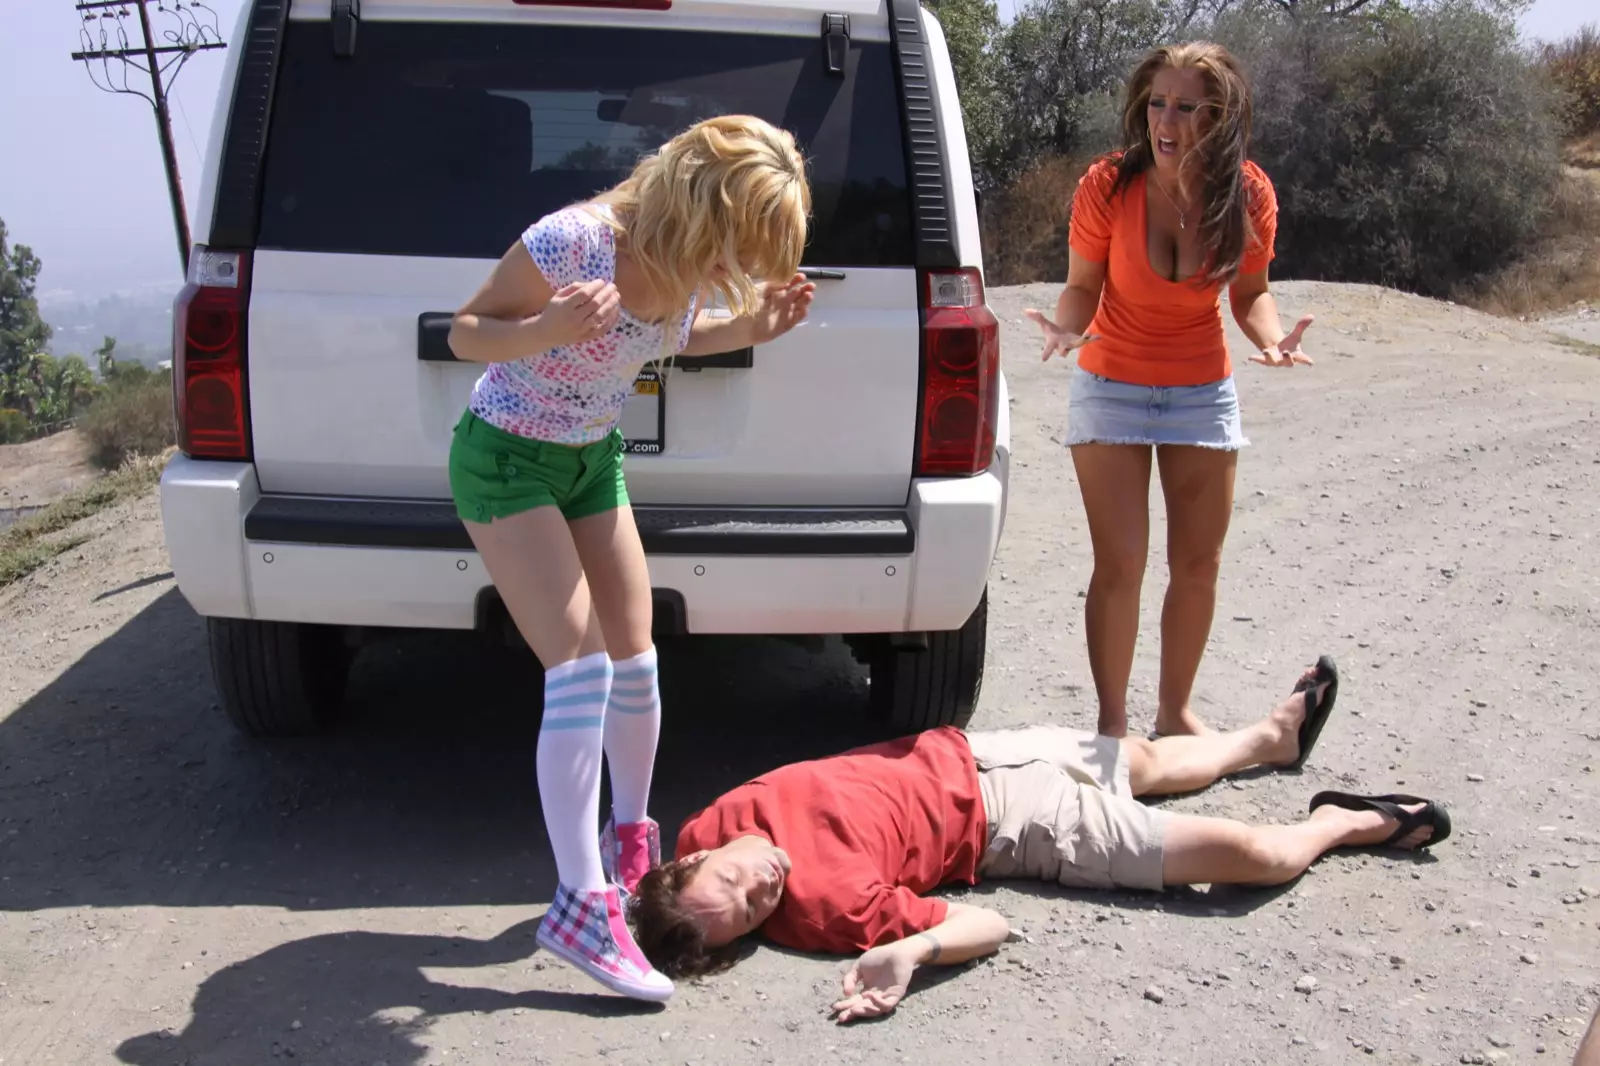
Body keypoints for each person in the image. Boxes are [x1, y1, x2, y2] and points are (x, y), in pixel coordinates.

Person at [445, 114, 815, 1002]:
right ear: (701, 209)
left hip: (590, 460)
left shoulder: (683, 269)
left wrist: (754, 326)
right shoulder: (574, 242)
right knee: (578, 671)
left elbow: (675, 335)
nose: (736, 271)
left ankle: (628, 843)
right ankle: (579, 905)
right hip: (504, 459)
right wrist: (545, 327)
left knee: (636, 661)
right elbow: (465, 331)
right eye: (737, 250)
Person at [628, 657, 1453, 1023]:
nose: (761, 889)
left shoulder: (705, 824)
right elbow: (988, 924)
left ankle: (1266, 740)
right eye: (750, 914)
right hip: (1021, 826)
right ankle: (1346, 821)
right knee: (1252, 857)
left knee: (1148, 759)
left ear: (693, 857)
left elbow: (618, 868)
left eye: (732, 884)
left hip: (977, 752)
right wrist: (910, 953)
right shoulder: (823, 911)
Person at [1023, 41, 1314, 740]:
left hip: (1201, 389)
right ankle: (1112, 726)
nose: (1167, 120)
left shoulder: (1248, 193)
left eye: (1187, 106)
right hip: (1110, 382)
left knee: (1198, 564)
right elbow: (1082, 285)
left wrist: (1271, 339)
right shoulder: (1107, 186)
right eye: (1158, 103)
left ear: (1220, 116)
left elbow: (1251, 293)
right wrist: (1066, 328)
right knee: (1121, 563)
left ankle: (1175, 713)